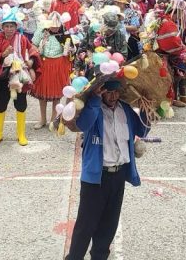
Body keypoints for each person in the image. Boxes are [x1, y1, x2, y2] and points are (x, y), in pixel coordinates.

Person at [64, 79, 148, 260]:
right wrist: (94, 99)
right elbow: (83, 125)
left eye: (116, 92)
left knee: (109, 223)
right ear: (101, 92)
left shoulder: (125, 110)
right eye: (108, 92)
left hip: (118, 175)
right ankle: (74, 257)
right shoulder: (93, 110)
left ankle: (99, 256)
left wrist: (146, 110)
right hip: (96, 177)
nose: (113, 96)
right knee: (86, 224)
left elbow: (142, 130)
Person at [0, 7, 40, 146]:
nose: (9, 29)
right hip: (2, 78)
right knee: (1, 105)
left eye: (11, 26)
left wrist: (30, 61)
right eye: (6, 26)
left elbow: (33, 51)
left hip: (20, 76)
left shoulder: (22, 38)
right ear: (2, 27)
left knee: (21, 104)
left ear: (16, 27)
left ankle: (21, 134)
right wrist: (3, 54)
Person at [32, 11, 73, 129]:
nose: (54, 28)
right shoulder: (42, 31)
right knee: (42, 94)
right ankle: (42, 119)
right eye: (52, 25)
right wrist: (37, 51)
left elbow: (72, 49)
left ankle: (53, 120)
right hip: (44, 64)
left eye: (57, 25)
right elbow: (33, 44)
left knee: (56, 95)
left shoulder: (64, 33)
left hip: (59, 65)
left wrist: (69, 50)